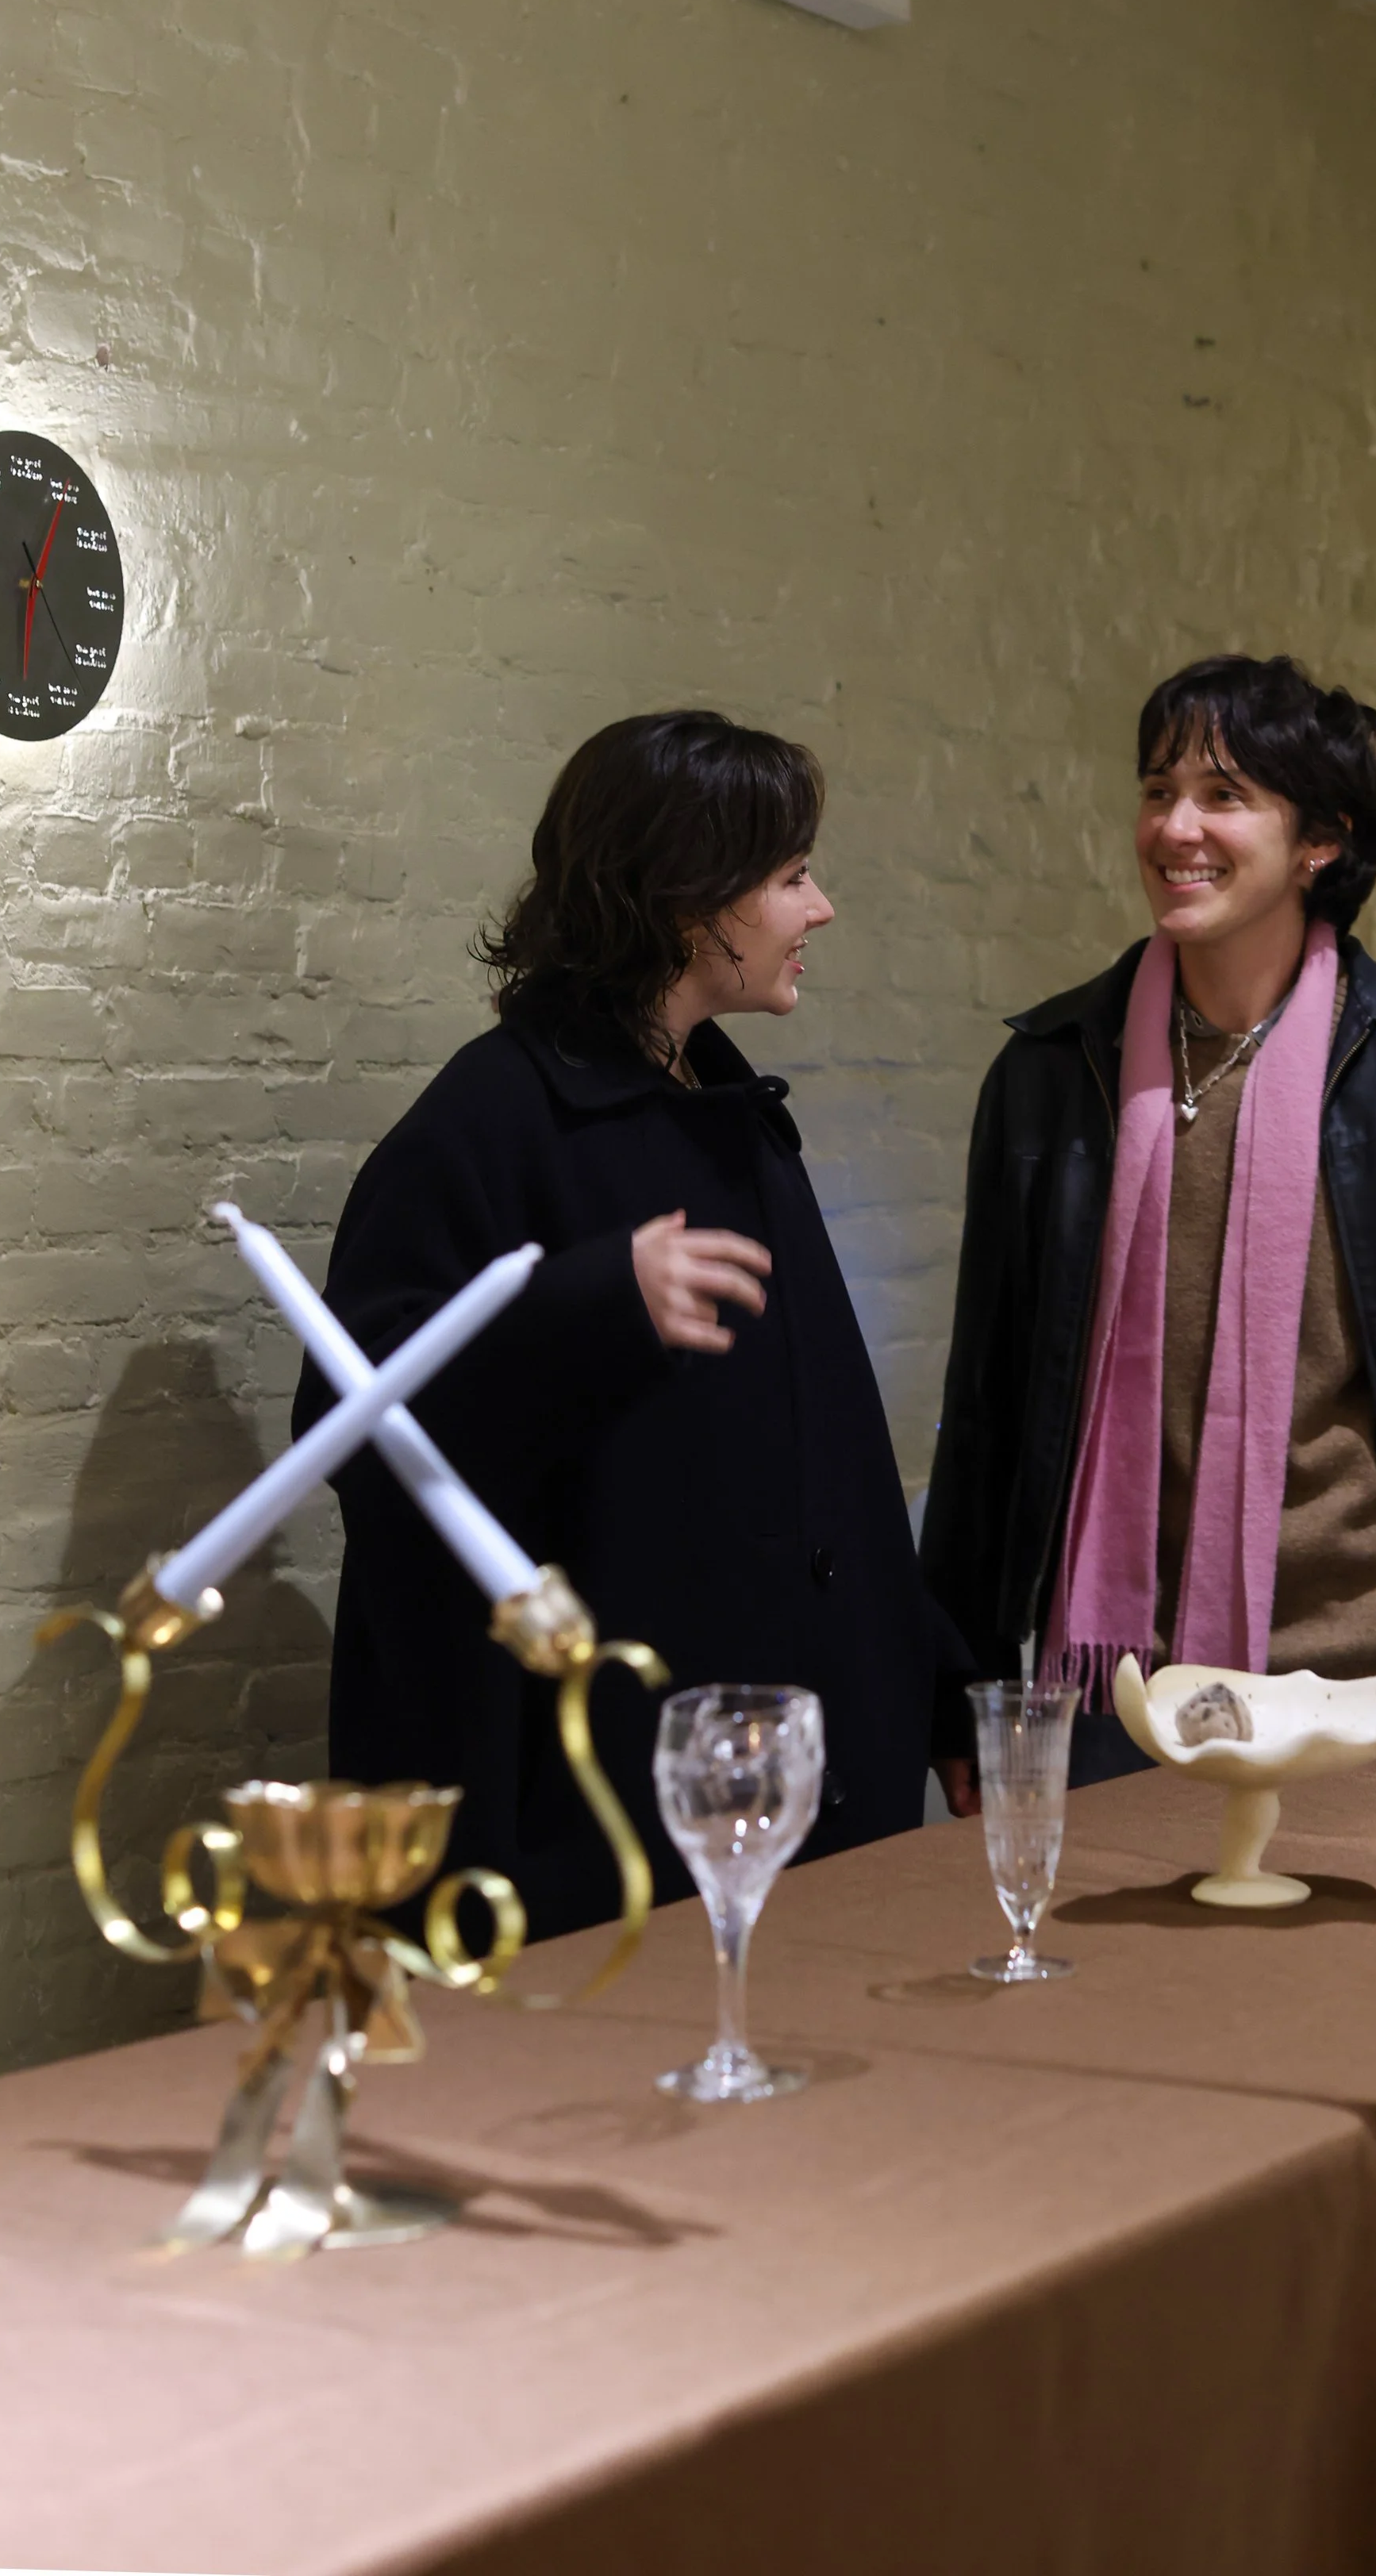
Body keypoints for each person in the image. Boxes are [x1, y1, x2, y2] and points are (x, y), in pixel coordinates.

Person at [294, 709, 968, 1937]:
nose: (818, 909)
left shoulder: (727, 1109)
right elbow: (350, 1424)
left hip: (786, 1793)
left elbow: (820, 1461)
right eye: (790, 876)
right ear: (686, 898)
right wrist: (590, 1301)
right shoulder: (491, 1122)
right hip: (605, 1827)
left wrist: (926, 1677)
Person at [922, 652, 1376, 1808]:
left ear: (1321, 840)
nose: (1174, 827)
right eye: (1157, 790)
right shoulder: (1051, 1077)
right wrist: (957, 1687)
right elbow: (986, 1408)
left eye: (1223, 795)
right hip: (1118, 1703)